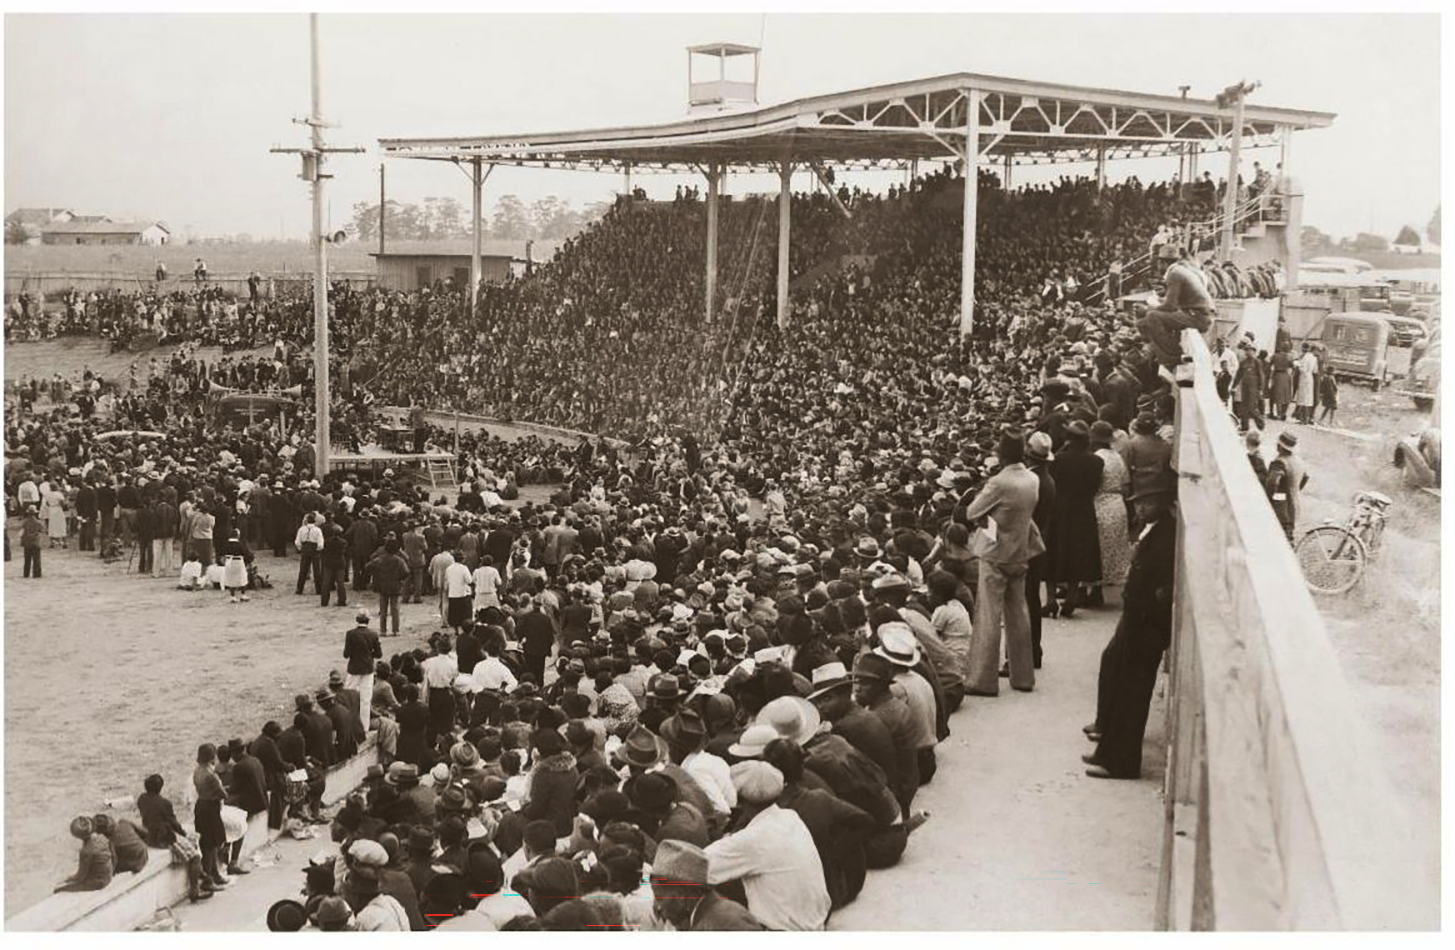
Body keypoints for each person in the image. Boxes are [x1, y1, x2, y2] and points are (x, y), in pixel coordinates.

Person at [1085, 469, 1178, 779]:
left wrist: (1145, 606)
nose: (1139, 507)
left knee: (1133, 692)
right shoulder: (1158, 528)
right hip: (1139, 618)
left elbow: (1163, 586)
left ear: (1161, 503)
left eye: (1146, 502)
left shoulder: (1166, 534)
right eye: (1139, 503)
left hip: (1145, 622)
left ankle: (1121, 761)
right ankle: (1109, 750)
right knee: (1120, 677)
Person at [958, 430, 1042, 696]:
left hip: (995, 553)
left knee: (989, 616)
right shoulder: (1032, 478)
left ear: (1002, 455)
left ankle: (983, 680)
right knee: (1019, 615)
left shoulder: (999, 482)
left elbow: (971, 512)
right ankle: (1023, 676)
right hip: (1021, 550)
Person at [704, 760, 831, 930]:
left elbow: (696, 866)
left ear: (740, 800)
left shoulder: (751, 840)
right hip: (816, 923)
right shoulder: (790, 817)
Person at [650, 839, 763, 931]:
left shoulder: (726, 924)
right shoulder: (703, 916)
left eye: (659, 898)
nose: (657, 908)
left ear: (681, 896)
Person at [136, 773, 213, 902]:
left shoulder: (142, 799)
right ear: (160, 788)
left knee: (191, 848)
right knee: (194, 856)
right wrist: (183, 834)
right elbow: (174, 823)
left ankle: (202, 875)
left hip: (151, 835)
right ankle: (195, 890)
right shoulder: (164, 803)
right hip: (164, 837)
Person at [1138, 248, 1216, 372]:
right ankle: (1164, 355)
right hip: (1201, 315)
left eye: (1159, 262)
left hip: (1198, 317)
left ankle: (1172, 358)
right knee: (1143, 322)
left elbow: (1170, 306)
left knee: (1152, 317)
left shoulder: (1174, 273)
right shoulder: (1182, 270)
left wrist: (1147, 309)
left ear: (1162, 263)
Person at [192, 743, 230, 890]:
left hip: (201, 805)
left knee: (208, 843)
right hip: (211, 808)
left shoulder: (197, 771)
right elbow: (223, 794)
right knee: (211, 844)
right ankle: (210, 878)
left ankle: (213, 874)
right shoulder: (210, 774)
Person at [1265, 430, 1308, 544]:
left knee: (1279, 539)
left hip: (1281, 508)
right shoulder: (1299, 461)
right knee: (1288, 537)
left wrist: (1270, 498)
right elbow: (1306, 477)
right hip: (1294, 506)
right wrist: (1293, 492)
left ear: (1280, 446)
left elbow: (1272, 483)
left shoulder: (1279, 462)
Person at [343, 611, 383, 731]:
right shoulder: (373, 634)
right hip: (367, 669)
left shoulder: (350, 634)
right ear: (368, 621)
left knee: (348, 697)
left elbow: (346, 654)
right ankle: (364, 727)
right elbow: (379, 654)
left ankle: (348, 725)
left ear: (357, 620)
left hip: (354, 668)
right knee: (365, 700)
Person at [54, 817, 114, 893]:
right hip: (108, 874)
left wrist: (68, 880)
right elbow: (113, 856)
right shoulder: (101, 837)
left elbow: (80, 877)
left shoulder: (86, 852)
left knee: (59, 889)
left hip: (99, 883)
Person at [368, 541, 410, 636]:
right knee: (395, 609)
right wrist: (400, 579)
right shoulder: (399, 561)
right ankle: (395, 630)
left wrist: (376, 576)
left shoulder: (380, 560)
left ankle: (383, 630)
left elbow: (368, 567)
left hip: (382, 586)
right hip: (395, 586)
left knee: (383, 610)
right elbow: (406, 572)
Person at [218, 529, 253, 603]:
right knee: (242, 578)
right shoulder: (240, 544)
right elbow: (247, 554)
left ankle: (232, 596)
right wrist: (248, 561)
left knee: (231, 579)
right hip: (238, 562)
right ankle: (243, 595)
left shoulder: (225, 544)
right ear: (238, 535)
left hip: (228, 562)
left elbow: (221, 554)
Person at [295, 513, 325, 596]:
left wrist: (301, 548)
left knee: (303, 570)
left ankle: (299, 589)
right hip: (314, 548)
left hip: (305, 547)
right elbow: (320, 542)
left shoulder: (301, 529)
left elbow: (297, 541)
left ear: (307, 521)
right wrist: (318, 549)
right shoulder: (317, 530)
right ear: (314, 521)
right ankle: (318, 589)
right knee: (317, 570)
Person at [1293, 343, 1319, 423]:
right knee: (1308, 398)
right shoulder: (1314, 358)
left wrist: (1296, 364)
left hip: (1304, 377)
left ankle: (1303, 418)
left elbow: (1302, 369)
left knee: (1303, 398)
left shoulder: (1305, 357)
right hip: (1310, 378)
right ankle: (1306, 417)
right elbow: (1315, 370)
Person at [21, 505, 45, 578]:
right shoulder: (38, 522)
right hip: (35, 542)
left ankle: (26, 573)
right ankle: (37, 574)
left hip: (27, 542)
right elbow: (42, 530)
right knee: (36, 559)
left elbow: (23, 530)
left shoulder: (25, 522)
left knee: (27, 559)